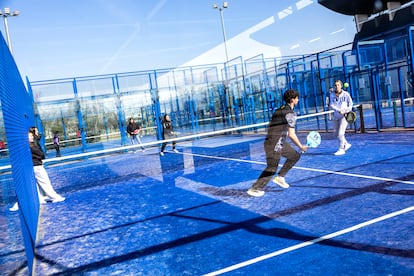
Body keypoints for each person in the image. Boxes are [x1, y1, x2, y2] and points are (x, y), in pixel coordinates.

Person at [247, 89, 308, 197]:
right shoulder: (290, 114)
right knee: (272, 167)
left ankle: (280, 177)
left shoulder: (279, 109)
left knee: (294, 156)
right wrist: (301, 146)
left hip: (276, 141)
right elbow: (292, 134)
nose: (298, 100)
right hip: (275, 143)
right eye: (297, 98)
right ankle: (255, 188)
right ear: (292, 100)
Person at [9, 129, 65, 211]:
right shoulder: (30, 146)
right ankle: (54, 197)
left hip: (33, 166)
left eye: (32, 135)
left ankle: (40, 199)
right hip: (37, 166)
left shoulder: (28, 145)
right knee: (44, 183)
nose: (32, 137)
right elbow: (41, 154)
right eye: (30, 136)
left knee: (34, 185)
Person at [329, 80, 353, 156]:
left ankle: (341, 149)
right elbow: (332, 104)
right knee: (336, 134)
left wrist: (346, 111)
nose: (337, 87)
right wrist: (338, 110)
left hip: (344, 117)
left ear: (341, 86)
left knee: (341, 133)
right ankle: (346, 144)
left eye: (338, 85)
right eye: (335, 85)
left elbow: (351, 104)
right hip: (336, 116)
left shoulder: (346, 94)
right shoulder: (332, 95)